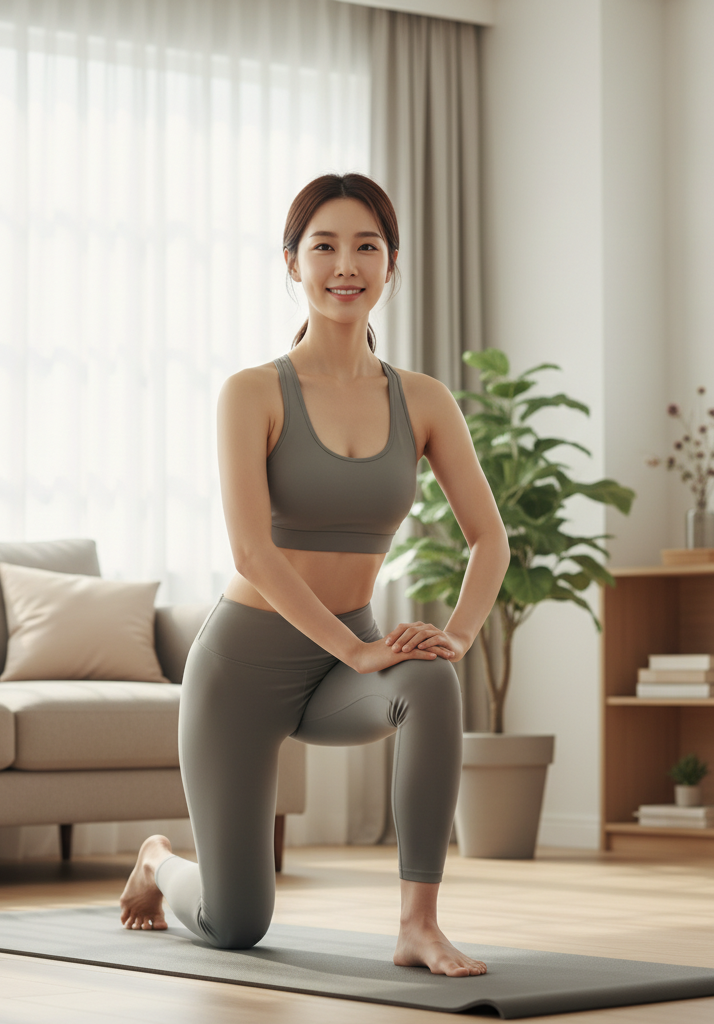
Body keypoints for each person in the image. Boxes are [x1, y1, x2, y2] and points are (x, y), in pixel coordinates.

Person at [119, 172, 510, 978]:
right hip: (243, 669)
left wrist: (457, 637)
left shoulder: (426, 400)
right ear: (291, 263)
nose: (346, 264)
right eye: (324, 245)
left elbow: (489, 539)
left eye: (367, 246)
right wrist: (360, 651)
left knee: (431, 680)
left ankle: (418, 926)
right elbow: (253, 553)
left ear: (392, 266)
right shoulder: (252, 392)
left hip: (347, 659)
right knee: (235, 925)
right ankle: (159, 861)